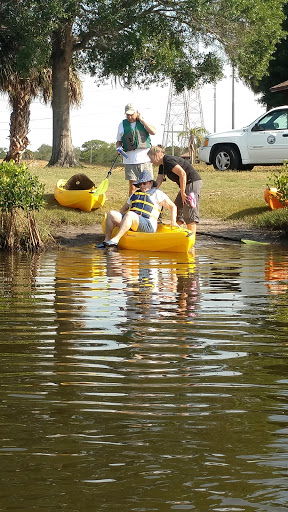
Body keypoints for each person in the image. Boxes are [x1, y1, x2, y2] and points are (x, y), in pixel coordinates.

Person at [98, 170, 177, 248]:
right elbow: (125, 207)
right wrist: (118, 219)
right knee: (111, 214)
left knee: (130, 214)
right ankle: (107, 240)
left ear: (151, 183)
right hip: (133, 221)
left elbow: (172, 206)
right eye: (140, 184)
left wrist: (173, 221)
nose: (142, 186)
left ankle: (116, 240)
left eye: (144, 183)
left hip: (148, 225)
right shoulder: (135, 194)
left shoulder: (157, 193)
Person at [148, 145, 203, 236]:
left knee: (189, 210)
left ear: (157, 154)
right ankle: (178, 235)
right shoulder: (163, 165)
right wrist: (151, 191)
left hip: (192, 182)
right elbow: (159, 178)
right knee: (177, 208)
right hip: (186, 185)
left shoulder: (168, 161)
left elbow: (183, 174)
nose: (151, 161)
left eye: (151, 158)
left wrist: (182, 192)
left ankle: (191, 239)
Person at [116, 103, 156, 196]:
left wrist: (142, 120)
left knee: (148, 186)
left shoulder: (142, 122)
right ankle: (132, 207)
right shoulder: (122, 124)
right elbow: (118, 141)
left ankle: (150, 206)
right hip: (130, 160)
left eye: (132, 114)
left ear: (137, 113)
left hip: (145, 160)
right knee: (133, 188)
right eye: (127, 115)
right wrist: (118, 148)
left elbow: (153, 132)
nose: (130, 117)